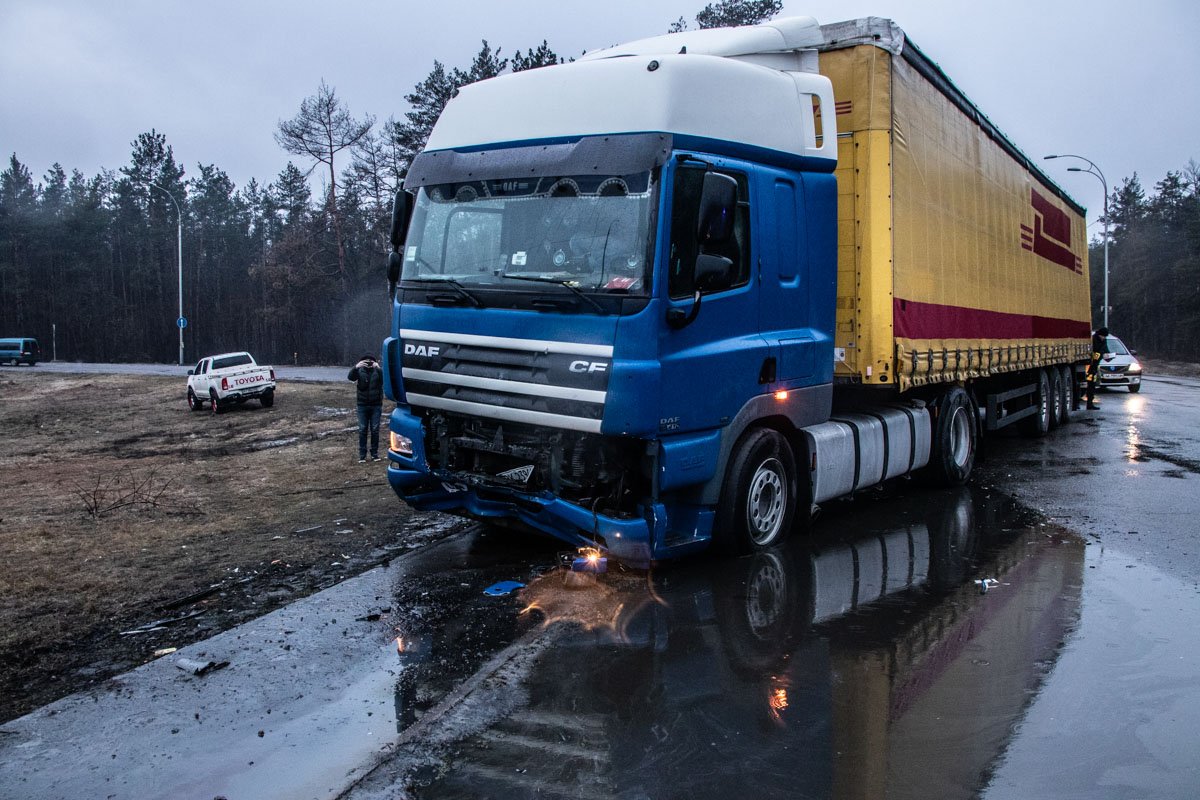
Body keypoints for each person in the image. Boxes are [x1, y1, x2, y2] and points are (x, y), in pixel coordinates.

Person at [348, 354, 383, 462]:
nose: (368, 364)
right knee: (362, 429)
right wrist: (356, 367)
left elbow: (385, 380)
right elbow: (350, 377)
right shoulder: (359, 371)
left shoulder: (377, 371)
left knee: (375, 430)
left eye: (371, 362)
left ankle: (374, 454)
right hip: (362, 404)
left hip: (376, 405)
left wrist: (379, 368)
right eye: (366, 361)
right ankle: (362, 455)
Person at [1085, 327, 1110, 410]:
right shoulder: (1093, 340)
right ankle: (1088, 403)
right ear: (1100, 334)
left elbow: (1105, 350)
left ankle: (1090, 402)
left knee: (1092, 385)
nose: (1104, 338)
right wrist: (1100, 355)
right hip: (1090, 366)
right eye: (1103, 336)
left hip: (1095, 366)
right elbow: (1093, 353)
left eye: (1105, 337)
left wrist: (1109, 357)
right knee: (1090, 384)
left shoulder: (1103, 341)